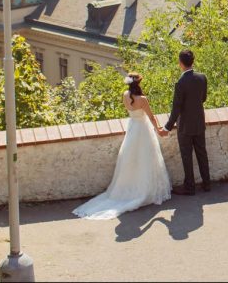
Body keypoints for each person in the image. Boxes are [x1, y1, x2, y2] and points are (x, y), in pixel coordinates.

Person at [73, 72, 171, 219]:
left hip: (132, 128)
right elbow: (151, 116)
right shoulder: (143, 99)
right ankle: (145, 190)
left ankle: (128, 188)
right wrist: (158, 130)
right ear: (139, 83)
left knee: (130, 160)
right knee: (145, 158)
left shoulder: (125, 95)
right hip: (143, 130)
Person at [159, 49, 211, 195]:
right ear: (192, 61)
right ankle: (207, 184)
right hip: (199, 122)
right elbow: (203, 99)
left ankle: (190, 187)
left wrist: (167, 127)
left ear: (180, 63)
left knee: (187, 156)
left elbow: (176, 109)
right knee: (202, 153)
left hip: (185, 126)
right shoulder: (202, 77)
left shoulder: (180, 82)